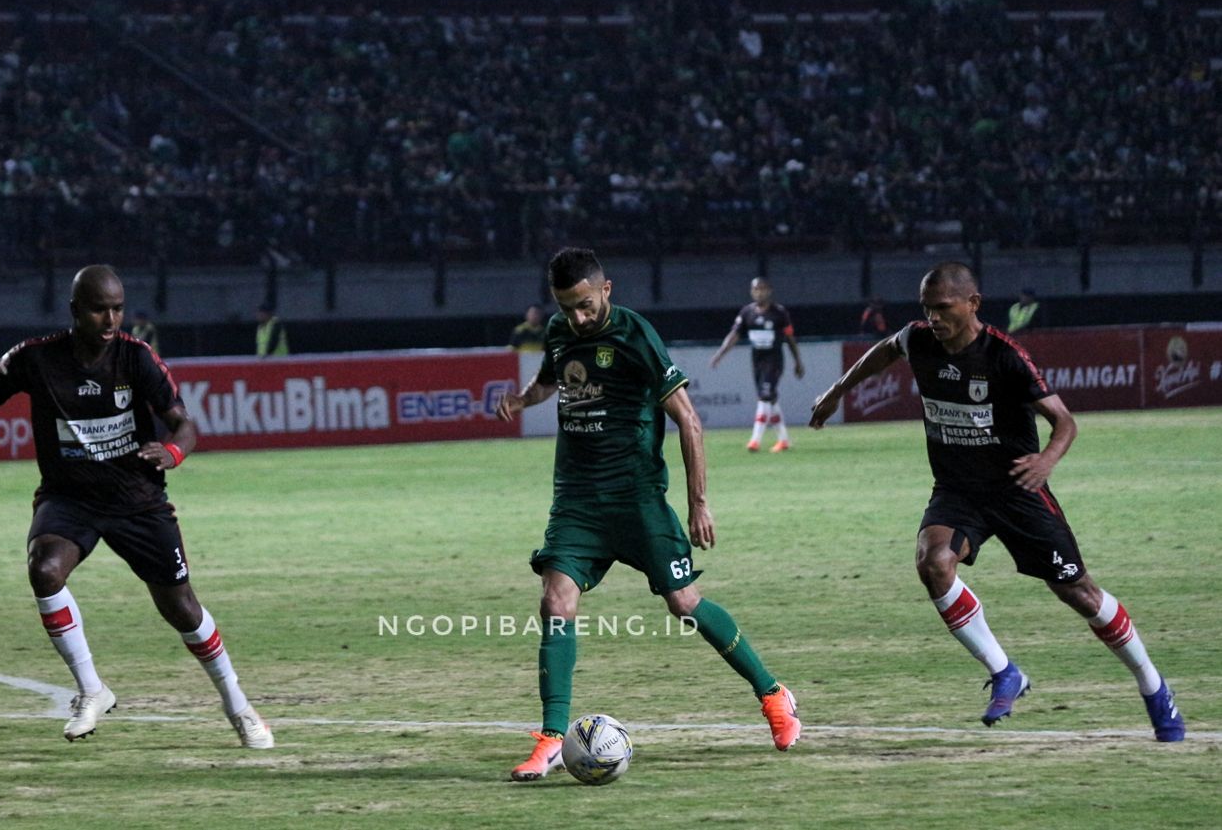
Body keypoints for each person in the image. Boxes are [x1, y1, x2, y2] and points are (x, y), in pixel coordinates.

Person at [808, 261, 1184, 741]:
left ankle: (1152, 685)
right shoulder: (918, 339)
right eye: (927, 309)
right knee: (933, 561)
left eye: (943, 308)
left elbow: (1064, 422)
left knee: (1079, 593)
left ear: (973, 304)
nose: (934, 318)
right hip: (959, 491)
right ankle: (1005, 671)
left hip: (1017, 492)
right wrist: (838, 391)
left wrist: (1046, 461)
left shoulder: (1006, 357)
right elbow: (883, 351)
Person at [0, 265, 275, 749]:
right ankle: (91, 689)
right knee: (44, 569)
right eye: (101, 308)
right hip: (70, 499)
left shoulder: (136, 358)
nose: (111, 318)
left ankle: (238, 705)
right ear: (76, 310)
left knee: (181, 607)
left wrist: (173, 452)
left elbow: (183, 423)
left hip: (138, 501)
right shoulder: (34, 359)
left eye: (118, 307)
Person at [495, 248, 801, 781]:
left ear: (606, 289)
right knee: (554, 599)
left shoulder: (636, 335)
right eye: (567, 308)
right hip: (577, 500)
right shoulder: (561, 332)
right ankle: (549, 738)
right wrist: (523, 399)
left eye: (586, 306)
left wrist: (699, 502)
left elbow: (688, 420)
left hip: (636, 498)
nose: (579, 318)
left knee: (684, 603)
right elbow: (551, 380)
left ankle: (773, 694)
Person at [708, 277, 804, 452]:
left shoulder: (779, 313)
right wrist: (719, 354)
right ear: (752, 292)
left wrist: (798, 362)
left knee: (764, 397)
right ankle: (783, 440)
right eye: (756, 289)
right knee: (771, 399)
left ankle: (755, 440)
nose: (759, 292)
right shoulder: (747, 313)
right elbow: (734, 335)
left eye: (763, 289)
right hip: (757, 360)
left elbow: (790, 338)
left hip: (774, 359)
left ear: (770, 290)